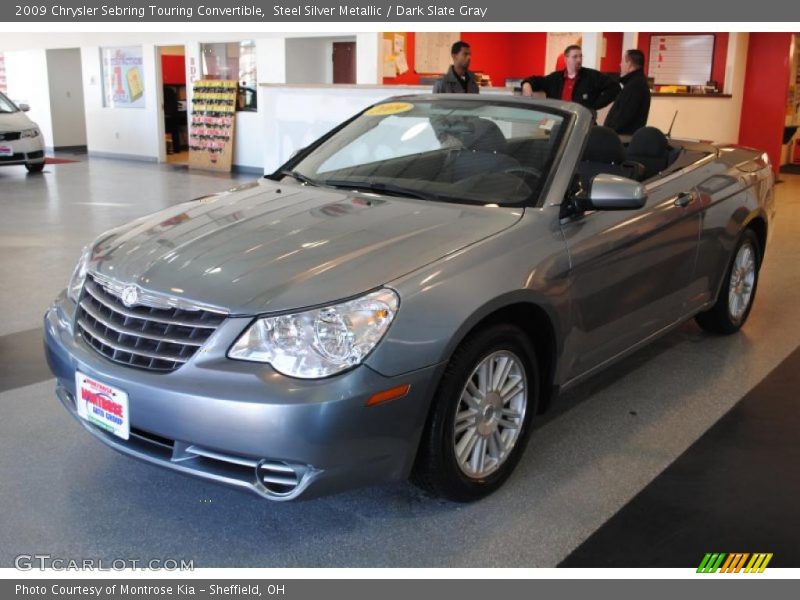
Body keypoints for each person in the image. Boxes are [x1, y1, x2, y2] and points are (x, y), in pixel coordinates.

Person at [521, 45, 618, 114]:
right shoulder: (554, 78)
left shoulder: (591, 76)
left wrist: (594, 105)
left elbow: (614, 87)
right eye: (575, 57)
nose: (579, 60)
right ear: (566, 59)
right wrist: (526, 85)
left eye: (580, 56)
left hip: (582, 122)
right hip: (558, 121)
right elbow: (535, 80)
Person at [604, 49, 651, 135]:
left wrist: (608, 134)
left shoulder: (635, 86)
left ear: (629, 63)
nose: (620, 64)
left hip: (623, 139)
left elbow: (623, 116)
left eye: (622, 61)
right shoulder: (635, 83)